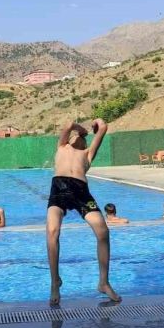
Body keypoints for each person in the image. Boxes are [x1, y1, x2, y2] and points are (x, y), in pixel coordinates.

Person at [46, 118, 121, 305]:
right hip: (59, 189)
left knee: (103, 231)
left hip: (81, 192)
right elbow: (68, 124)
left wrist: (95, 124)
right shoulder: (62, 146)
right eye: (75, 136)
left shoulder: (88, 154)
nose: (77, 138)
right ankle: (55, 281)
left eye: (82, 138)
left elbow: (103, 127)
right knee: (52, 231)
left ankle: (103, 282)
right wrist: (82, 130)